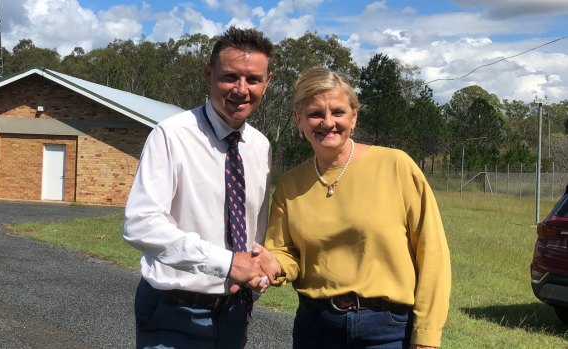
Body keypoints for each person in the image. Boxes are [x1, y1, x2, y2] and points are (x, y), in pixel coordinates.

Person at [264, 66, 451, 349]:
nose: (328, 122)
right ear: (298, 120)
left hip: (388, 332)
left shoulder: (396, 166)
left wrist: (426, 336)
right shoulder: (290, 185)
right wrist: (272, 264)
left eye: (338, 112)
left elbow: (433, 255)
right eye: (315, 114)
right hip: (316, 328)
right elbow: (284, 251)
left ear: (354, 116)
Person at [122, 26, 277, 349]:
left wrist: (259, 267)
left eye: (253, 79)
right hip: (173, 312)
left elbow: (254, 228)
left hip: (234, 312)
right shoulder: (171, 135)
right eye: (230, 76)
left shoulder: (260, 146)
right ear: (209, 74)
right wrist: (227, 262)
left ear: (268, 82)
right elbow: (141, 223)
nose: (241, 89)